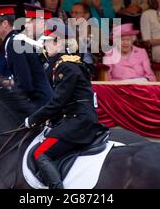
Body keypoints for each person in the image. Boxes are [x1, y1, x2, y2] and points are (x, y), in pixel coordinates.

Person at [24, 28, 105, 189]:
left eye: (46, 42)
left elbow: (58, 102)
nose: (44, 46)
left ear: (59, 43)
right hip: (76, 118)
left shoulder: (66, 67)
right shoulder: (69, 63)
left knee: (40, 153)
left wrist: (32, 120)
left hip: (78, 121)